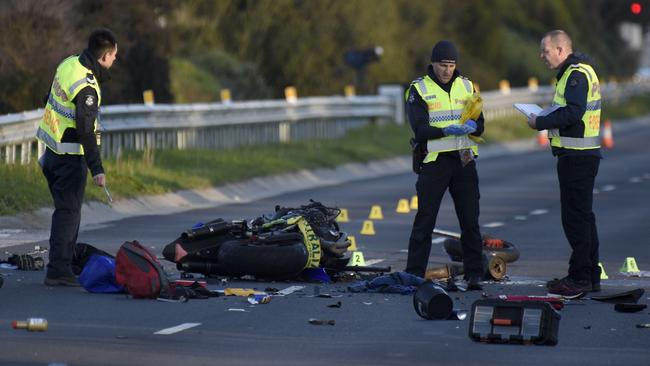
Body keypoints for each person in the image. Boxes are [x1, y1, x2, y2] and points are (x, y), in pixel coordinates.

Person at [37, 28, 118, 286]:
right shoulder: (87, 88)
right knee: (68, 211)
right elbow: (86, 130)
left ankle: (65, 260)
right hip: (69, 156)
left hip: (50, 151)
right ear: (104, 56)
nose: (115, 60)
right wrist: (97, 168)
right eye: (114, 55)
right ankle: (58, 270)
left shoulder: (69, 63)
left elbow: (49, 97)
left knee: (67, 209)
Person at [404, 40, 485, 290]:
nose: (447, 70)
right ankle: (414, 275)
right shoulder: (419, 89)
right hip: (435, 162)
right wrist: (444, 131)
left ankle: (474, 275)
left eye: (451, 65)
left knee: (470, 221)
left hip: (463, 160)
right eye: (442, 65)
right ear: (433, 63)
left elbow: (480, 122)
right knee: (425, 221)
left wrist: (475, 127)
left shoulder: (467, 85)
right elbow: (419, 128)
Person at [527, 30, 602, 298]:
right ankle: (589, 275)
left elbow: (574, 111)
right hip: (581, 155)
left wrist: (541, 122)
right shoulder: (580, 71)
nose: (542, 56)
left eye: (545, 51)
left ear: (560, 50)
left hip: (577, 157)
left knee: (574, 219)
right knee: (583, 217)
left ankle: (580, 278)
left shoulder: (575, 75)